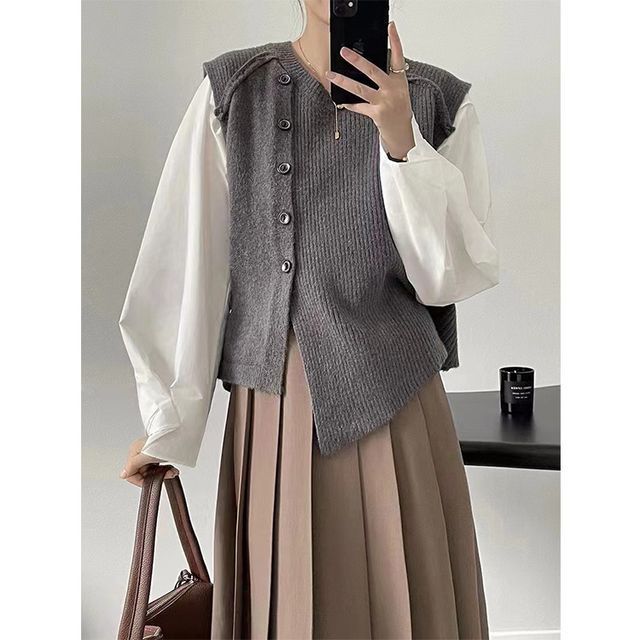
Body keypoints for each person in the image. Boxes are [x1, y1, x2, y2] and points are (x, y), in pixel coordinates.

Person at [118, 2, 498, 637]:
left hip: (401, 396)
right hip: (278, 401)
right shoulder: (234, 92)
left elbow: (450, 277)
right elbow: (188, 260)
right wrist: (167, 423)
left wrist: (402, 140)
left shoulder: (440, 101)